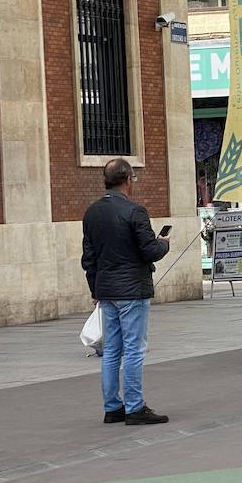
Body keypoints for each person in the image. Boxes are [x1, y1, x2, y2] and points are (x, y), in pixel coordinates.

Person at [80, 159, 171, 425]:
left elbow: (89, 256)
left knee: (111, 350)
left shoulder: (92, 212)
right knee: (133, 349)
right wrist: (163, 244)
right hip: (132, 289)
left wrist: (95, 287)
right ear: (128, 179)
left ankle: (112, 406)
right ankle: (134, 407)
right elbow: (149, 250)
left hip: (107, 290)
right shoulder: (135, 211)